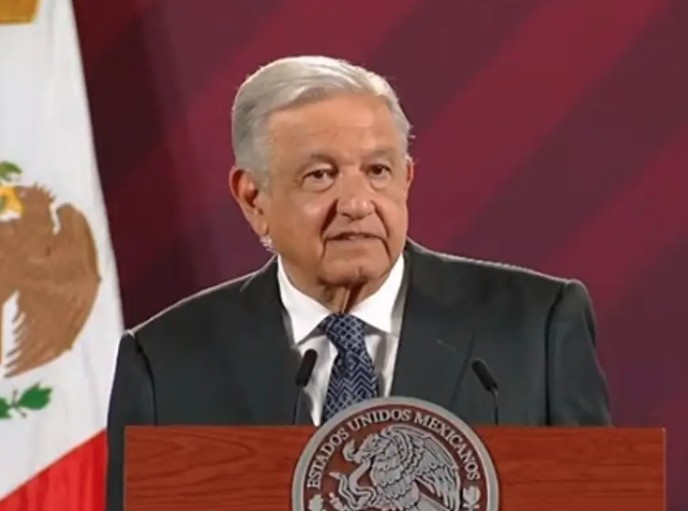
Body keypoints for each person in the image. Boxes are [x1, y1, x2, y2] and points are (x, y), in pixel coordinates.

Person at [105, 55, 611, 510]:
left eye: (378, 170)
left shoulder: (535, 327)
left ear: (406, 180)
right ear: (253, 198)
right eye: (320, 175)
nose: (356, 203)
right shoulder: (166, 362)